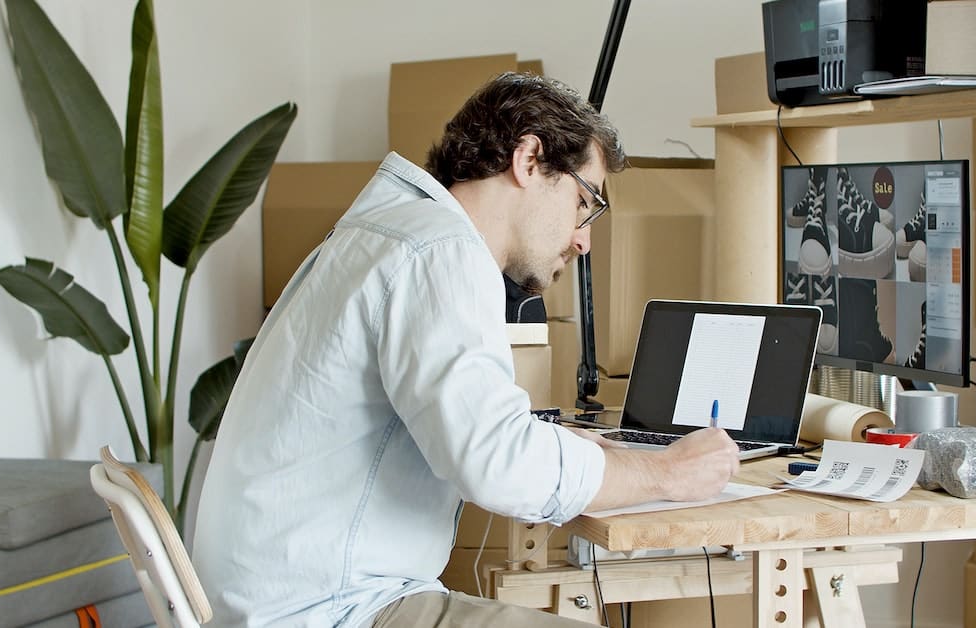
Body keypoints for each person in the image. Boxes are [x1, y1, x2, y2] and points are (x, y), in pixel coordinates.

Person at [193, 72, 741, 628]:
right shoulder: (440, 251)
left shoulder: (391, 234)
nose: (583, 239)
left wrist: (557, 444)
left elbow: (470, 428)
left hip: (279, 596)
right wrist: (666, 474)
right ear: (529, 160)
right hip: (331, 610)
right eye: (585, 201)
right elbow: (495, 461)